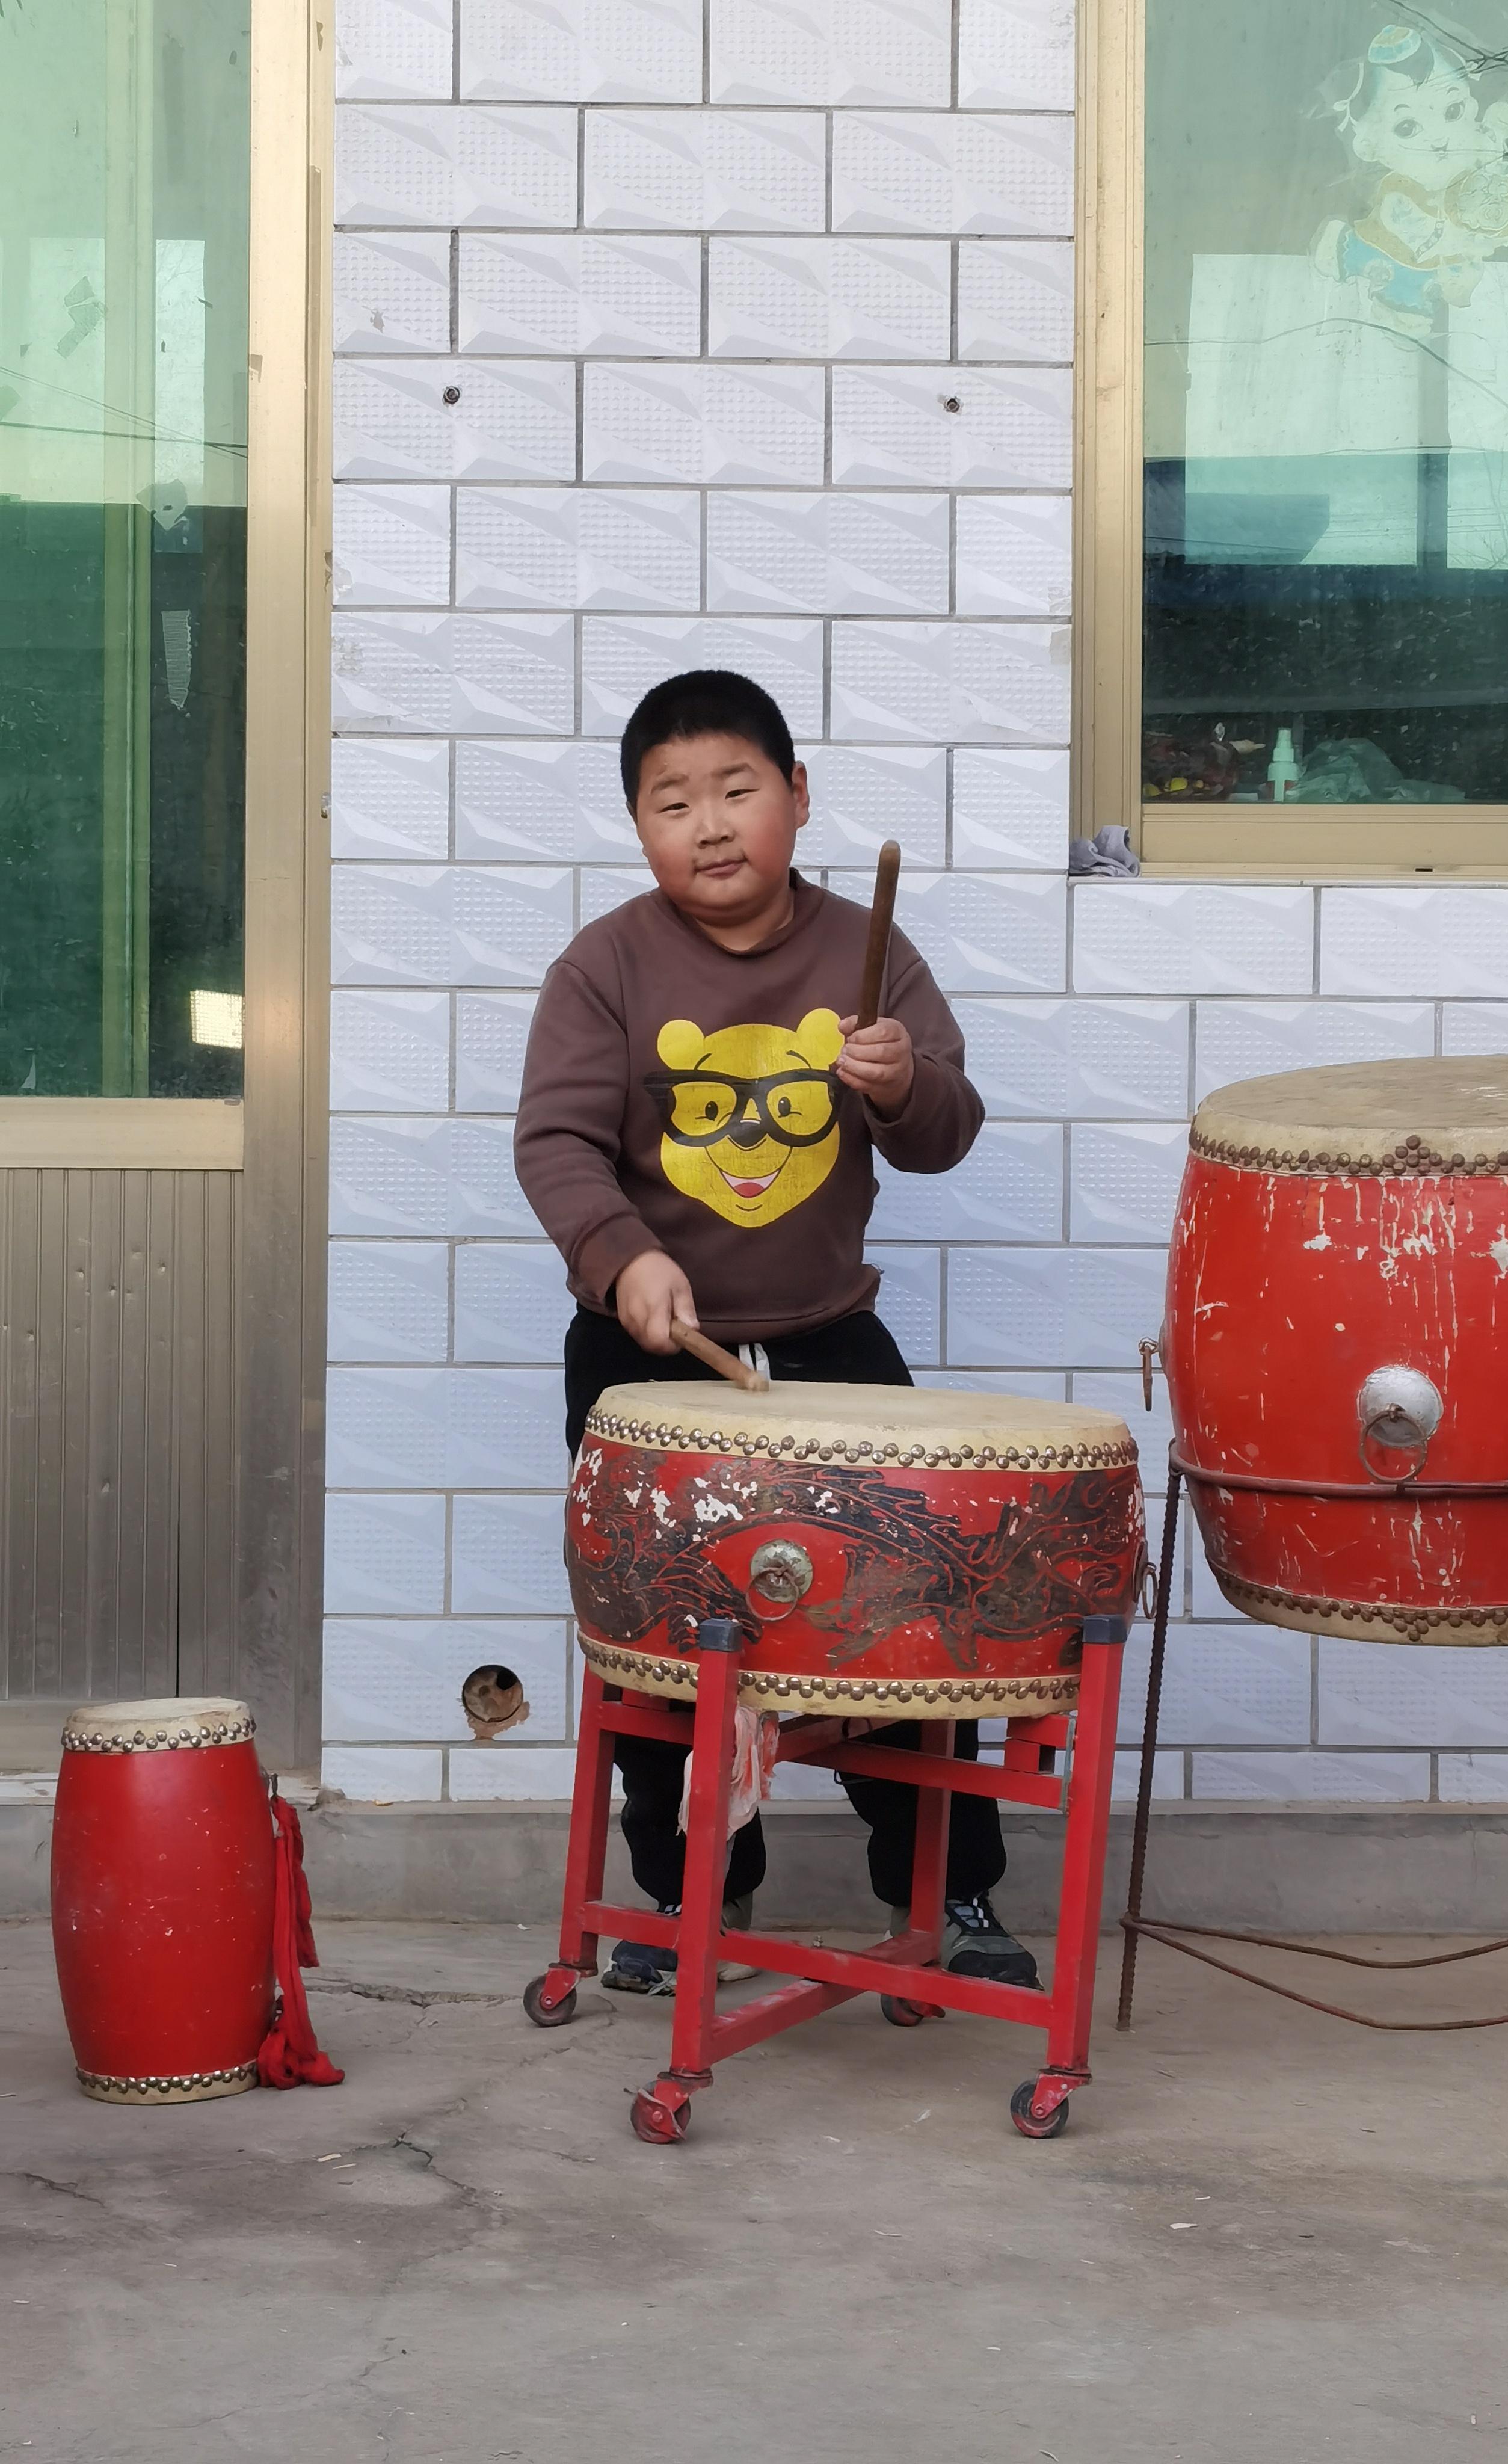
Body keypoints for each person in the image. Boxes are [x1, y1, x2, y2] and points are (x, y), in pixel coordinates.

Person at [514, 667, 1038, 1996]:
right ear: (638, 824)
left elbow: (946, 1132)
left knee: (907, 1626)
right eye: (671, 801)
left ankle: (948, 1888)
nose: (709, 823)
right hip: (646, 1357)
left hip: (827, 1342)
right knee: (661, 1646)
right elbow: (555, 1140)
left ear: (797, 797)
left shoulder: (870, 951)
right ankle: (686, 1895)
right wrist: (620, 1255)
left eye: (737, 789)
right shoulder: (605, 966)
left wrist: (903, 1083)